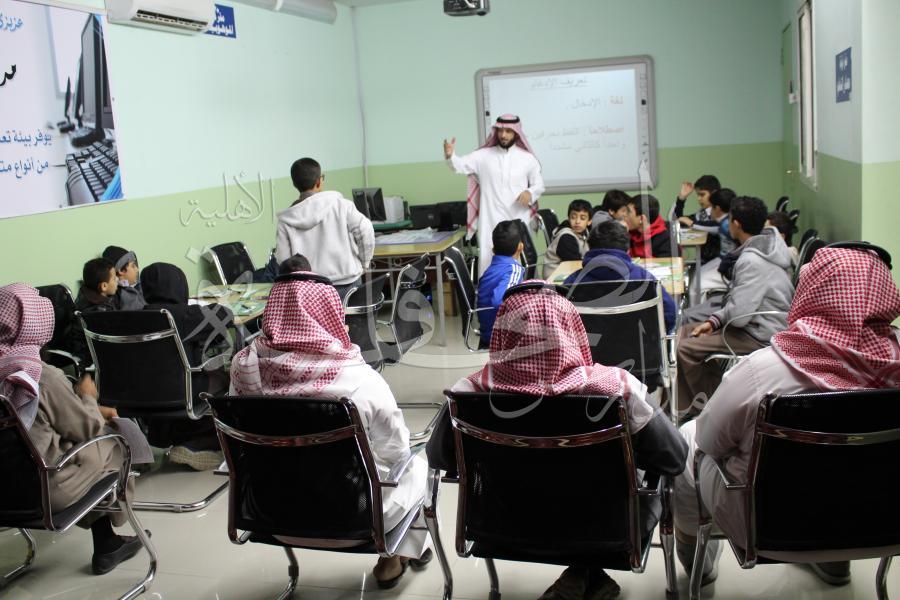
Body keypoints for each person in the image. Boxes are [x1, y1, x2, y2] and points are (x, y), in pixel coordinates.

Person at [427, 284, 687, 600]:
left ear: (503, 332)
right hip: (610, 530)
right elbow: (674, 457)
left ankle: (582, 574)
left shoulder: (467, 394)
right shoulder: (618, 389)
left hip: (503, 528)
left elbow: (439, 458)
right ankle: (585, 570)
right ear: (572, 329)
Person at [673, 245, 900, 587]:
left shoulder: (763, 371)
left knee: (688, 441)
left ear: (810, 291)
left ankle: (699, 568)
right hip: (884, 521)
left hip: (767, 524)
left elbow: (711, 442)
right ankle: (836, 562)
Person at [229, 274, 432, 588]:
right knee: (417, 467)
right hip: (354, 521)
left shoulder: (243, 367)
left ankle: (401, 554)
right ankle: (396, 556)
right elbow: (397, 453)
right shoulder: (358, 378)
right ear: (332, 315)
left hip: (269, 516)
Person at [0, 284, 148, 575]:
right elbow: (86, 428)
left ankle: (107, 541)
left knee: (68, 445)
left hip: (5, 489)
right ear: (36, 324)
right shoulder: (40, 376)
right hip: (42, 491)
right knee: (113, 441)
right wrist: (88, 397)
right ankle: (108, 540)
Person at [677, 196, 794, 415]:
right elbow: (740, 304)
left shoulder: (752, 261)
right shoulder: (768, 246)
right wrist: (714, 322)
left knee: (685, 348)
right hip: (757, 322)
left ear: (736, 224)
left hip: (760, 333)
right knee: (683, 333)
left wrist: (718, 321)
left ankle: (710, 410)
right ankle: (698, 401)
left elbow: (739, 316)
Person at [140, 262, 235, 470]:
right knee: (228, 377)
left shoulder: (133, 316)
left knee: (165, 380)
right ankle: (206, 440)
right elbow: (225, 315)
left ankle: (184, 439)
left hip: (142, 397)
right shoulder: (183, 315)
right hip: (184, 391)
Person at [444, 114, 545, 276]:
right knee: (488, 262)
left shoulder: (527, 159)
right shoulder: (483, 156)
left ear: (516, 133)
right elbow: (460, 165)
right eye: (500, 130)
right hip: (490, 220)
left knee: (521, 263)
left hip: (519, 220)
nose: (503, 135)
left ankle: (523, 293)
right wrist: (450, 156)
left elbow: (539, 185)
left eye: (508, 131)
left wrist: (530, 192)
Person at [275, 157, 375, 299]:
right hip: (348, 283)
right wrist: (365, 262)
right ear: (319, 181)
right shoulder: (342, 205)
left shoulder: (286, 219)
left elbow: (283, 259)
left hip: (310, 290)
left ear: (294, 184)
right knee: (350, 315)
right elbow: (365, 229)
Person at [564, 220, 676, 332]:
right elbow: (670, 313)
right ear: (628, 249)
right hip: (640, 342)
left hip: (586, 343)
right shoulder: (644, 278)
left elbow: (561, 321)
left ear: (589, 247)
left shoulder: (572, 281)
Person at [476, 220, 525, 348]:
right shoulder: (514, 269)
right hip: (500, 338)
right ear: (520, 247)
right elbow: (499, 301)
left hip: (487, 334)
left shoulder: (491, 269)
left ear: (493, 249)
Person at [70, 257, 120, 366]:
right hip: (94, 362)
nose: (117, 280)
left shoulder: (84, 298)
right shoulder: (99, 312)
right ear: (104, 286)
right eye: (114, 278)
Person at [692, 188, 737, 297]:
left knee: (697, 284)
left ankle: (696, 306)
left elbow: (712, 226)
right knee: (698, 274)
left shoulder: (727, 225)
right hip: (723, 258)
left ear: (718, 208)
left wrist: (692, 224)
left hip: (729, 263)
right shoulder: (726, 221)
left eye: (712, 207)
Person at [672, 175, 721, 264]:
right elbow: (678, 220)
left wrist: (691, 223)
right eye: (698, 195)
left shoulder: (723, 212)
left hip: (718, 261)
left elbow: (716, 226)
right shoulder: (702, 214)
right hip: (704, 260)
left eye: (702, 195)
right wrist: (681, 199)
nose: (699, 199)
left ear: (714, 194)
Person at [543, 199, 592, 279]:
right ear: (568, 218)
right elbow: (576, 265)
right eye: (573, 217)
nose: (577, 221)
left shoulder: (585, 232)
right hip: (555, 279)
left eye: (582, 218)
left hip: (567, 273)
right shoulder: (566, 237)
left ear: (589, 221)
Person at [624, 194, 674, 258]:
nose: (624, 215)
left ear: (642, 219)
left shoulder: (665, 240)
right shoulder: (627, 233)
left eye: (628, 212)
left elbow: (663, 263)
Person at [102, 245, 146, 310]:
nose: (137, 270)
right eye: (133, 266)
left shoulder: (133, 289)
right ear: (120, 270)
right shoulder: (124, 296)